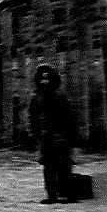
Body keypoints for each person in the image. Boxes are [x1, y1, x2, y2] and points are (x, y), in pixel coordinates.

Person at [28, 64, 78, 204]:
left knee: (60, 168)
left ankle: (62, 195)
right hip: (50, 139)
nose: (45, 83)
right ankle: (58, 195)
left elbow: (69, 119)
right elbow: (34, 121)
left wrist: (72, 141)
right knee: (52, 168)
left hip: (58, 138)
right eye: (42, 80)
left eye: (47, 80)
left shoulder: (57, 98)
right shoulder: (39, 99)